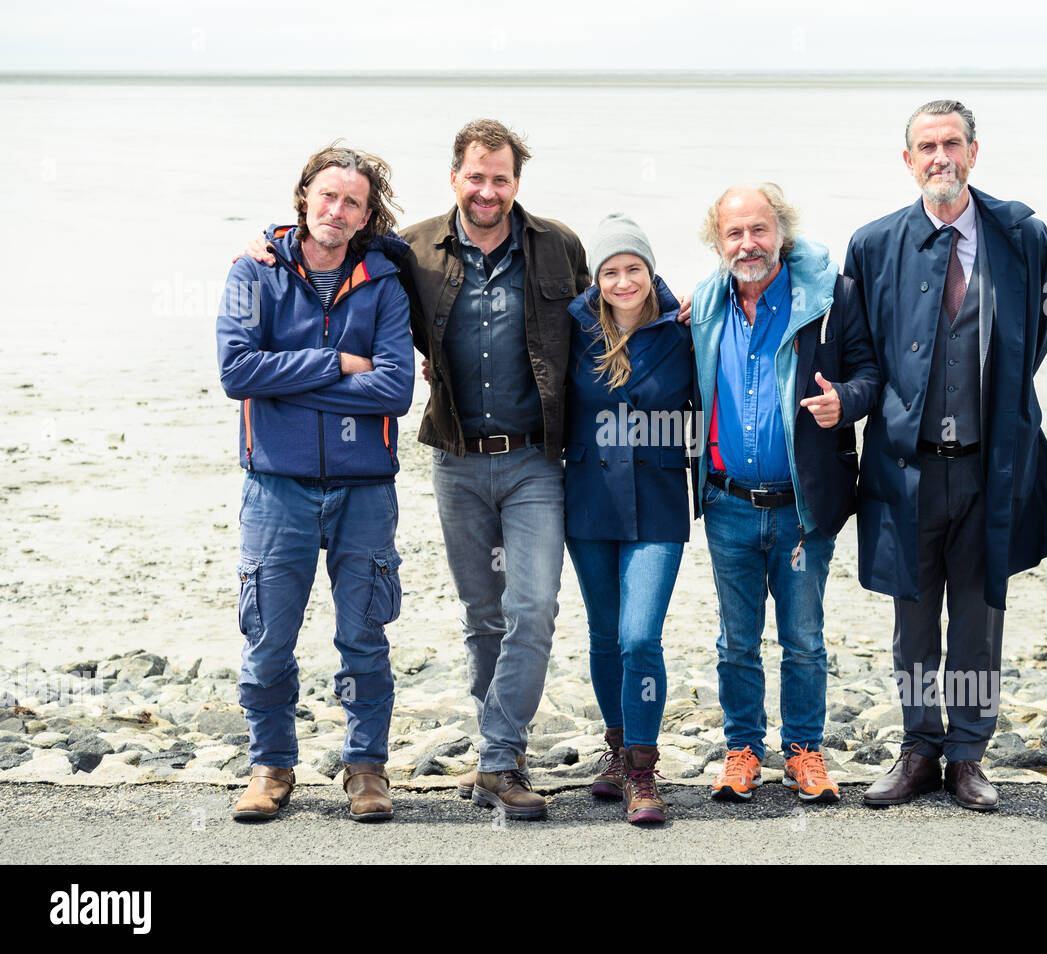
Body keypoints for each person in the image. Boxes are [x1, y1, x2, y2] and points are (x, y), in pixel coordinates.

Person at [845, 100, 1047, 811]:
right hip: (906, 469)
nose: (940, 156)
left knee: (978, 614)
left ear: (974, 152)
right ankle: (917, 749)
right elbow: (858, 348)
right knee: (912, 622)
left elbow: (1040, 330)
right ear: (907, 161)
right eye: (925, 146)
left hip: (986, 463)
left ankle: (967, 755)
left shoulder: (1022, 235)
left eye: (951, 144)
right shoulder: (874, 245)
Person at [217, 143, 414, 822]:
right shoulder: (254, 271)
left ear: (366, 215)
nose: (336, 210)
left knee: (364, 636)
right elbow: (238, 373)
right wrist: (337, 362)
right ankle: (271, 768)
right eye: (327, 195)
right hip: (276, 487)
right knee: (269, 635)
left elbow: (394, 390)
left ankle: (366, 771)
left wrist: (293, 383)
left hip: (365, 489)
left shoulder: (384, 282)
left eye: (352, 202)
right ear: (303, 196)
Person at [402, 119, 590, 821]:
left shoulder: (557, 245)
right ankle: (498, 754)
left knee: (532, 609)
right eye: (476, 178)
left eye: (501, 179)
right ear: (456, 177)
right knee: (483, 616)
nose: (488, 191)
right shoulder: (414, 250)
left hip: (535, 463)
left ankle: (498, 758)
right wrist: (267, 247)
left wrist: (677, 309)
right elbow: (332, 257)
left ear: (517, 181)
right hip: (456, 461)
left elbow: (610, 309)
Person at [691, 183, 878, 804]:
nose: (748, 244)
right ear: (719, 243)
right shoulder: (708, 306)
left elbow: (872, 376)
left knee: (803, 639)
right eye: (734, 234)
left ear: (782, 234)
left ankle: (803, 751)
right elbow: (627, 309)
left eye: (759, 230)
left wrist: (843, 404)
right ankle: (742, 750)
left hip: (801, 508)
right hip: (727, 505)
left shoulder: (831, 301)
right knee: (735, 641)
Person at [563, 214, 693, 825]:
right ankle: (617, 750)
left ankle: (643, 772)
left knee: (640, 635)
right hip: (588, 498)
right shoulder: (570, 327)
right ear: (596, 278)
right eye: (610, 271)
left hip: (659, 498)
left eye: (633, 269)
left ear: (650, 270)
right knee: (604, 633)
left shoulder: (686, 326)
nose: (622, 282)